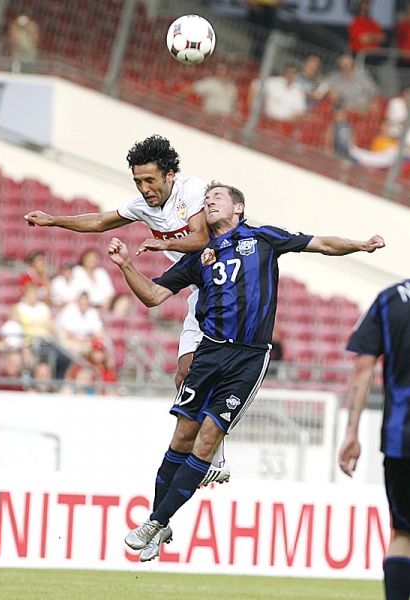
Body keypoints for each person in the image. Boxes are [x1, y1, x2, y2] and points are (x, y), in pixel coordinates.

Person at [107, 180, 385, 563]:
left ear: (238, 207)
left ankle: (155, 522)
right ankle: (160, 522)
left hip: (249, 358)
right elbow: (154, 295)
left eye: (217, 197)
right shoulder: (201, 255)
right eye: (207, 199)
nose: (209, 201)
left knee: (206, 440)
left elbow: (321, 243)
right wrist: (125, 265)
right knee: (182, 437)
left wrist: (361, 244)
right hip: (209, 353)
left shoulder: (263, 238)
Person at [24, 134, 226, 487]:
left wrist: (163, 243)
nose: (144, 188)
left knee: (214, 373)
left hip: (227, 286)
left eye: (150, 180)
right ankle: (214, 455)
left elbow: (200, 238)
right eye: (138, 181)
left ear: (170, 174)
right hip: (199, 290)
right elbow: (100, 221)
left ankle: (211, 455)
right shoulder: (143, 206)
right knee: (184, 374)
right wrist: (53, 220)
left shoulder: (192, 189)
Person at [338, 278, 410, 600]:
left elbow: (363, 367)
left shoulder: (390, 300)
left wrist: (351, 432)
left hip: (401, 438)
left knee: (404, 534)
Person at [314, 54, 380, 114]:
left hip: (365, 106)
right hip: (346, 108)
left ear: (353, 64)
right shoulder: (334, 77)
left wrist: (371, 105)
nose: (345, 65)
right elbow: (322, 87)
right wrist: (329, 92)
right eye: (343, 63)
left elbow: (375, 92)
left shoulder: (362, 75)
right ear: (339, 65)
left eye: (348, 63)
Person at [177, 62, 241, 119]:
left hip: (226, 118)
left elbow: (235, 103)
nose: (221, 71)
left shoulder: (232, 86)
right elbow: (191, 89)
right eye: (218, 69)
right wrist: (179, 99)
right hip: (211, 117)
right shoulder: (209, 82)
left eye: (223, 69)